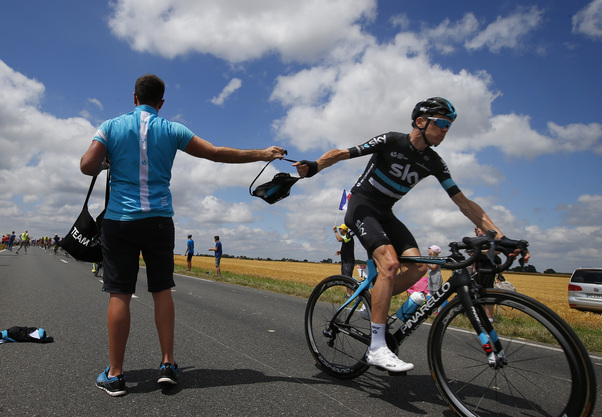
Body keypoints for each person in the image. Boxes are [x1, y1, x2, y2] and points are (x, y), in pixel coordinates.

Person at [80, 74, 284, 396]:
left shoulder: (111, 126)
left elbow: (87, 166)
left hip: (119, 221)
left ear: (134, 98)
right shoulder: (173, 129)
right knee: (162, 291)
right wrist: (262, 153)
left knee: (119, 293)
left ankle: (116, 374)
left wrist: (108, 161)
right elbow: (215, 152)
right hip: (160, 220)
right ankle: (168, 363)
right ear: (161, 103)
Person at [294, 97, 529, 373]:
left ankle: (374, 301)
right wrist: (316, 165)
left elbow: (464, 203)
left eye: (449, 126)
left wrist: (499, 237)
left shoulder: (433, 162)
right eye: (442, 123)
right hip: (362, 206)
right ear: (421, 121)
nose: (445, 130)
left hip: (385, 212)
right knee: (390, 264)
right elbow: (344, 153)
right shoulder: (392, 140)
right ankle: (377, 348)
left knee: (419, 266)